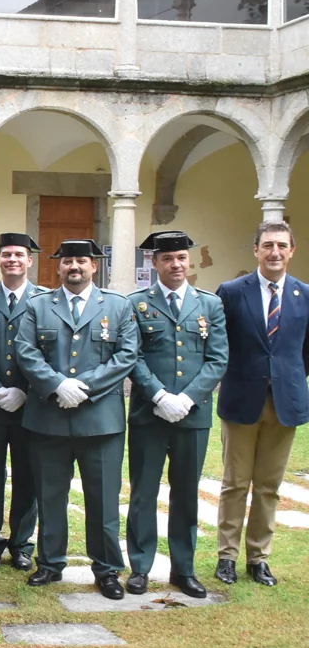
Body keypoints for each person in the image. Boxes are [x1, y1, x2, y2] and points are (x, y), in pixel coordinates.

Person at [14, 239, 138, 600]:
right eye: (68, 261)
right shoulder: (38, 306)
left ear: (94, 266)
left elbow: (126, 354)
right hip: (49, 417)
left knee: (102, 499)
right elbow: (26, 351)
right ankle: (50, 563)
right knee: (50, 495)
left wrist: (83, 387)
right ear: (58, 267)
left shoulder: (117, 306)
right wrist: (57, 385)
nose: (75, 267)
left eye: (82, 261)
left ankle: (107, 569)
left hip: (100, 420)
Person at [125, 230, 227, 598]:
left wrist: (188, 398)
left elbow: (217, 358)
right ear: (155, 263)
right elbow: (131, 356)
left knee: (185, 493)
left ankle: (184, 569)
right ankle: (140, 567)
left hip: (192, 415)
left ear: (190, 261)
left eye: (182, 257)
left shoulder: (209, 304)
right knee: (143, 492)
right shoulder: (136, 304)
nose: (176, 264)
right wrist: (158, 395)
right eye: (167, 258)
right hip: (149, 415)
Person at [214, 221, 309, 587]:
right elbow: (220, 345)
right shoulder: (233, 291)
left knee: (269, 486)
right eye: (267, 245)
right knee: (234, 483)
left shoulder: (304, 295)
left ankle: (258, 558)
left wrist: (288, 378)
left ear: (291, 250)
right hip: (242, 399)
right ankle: (227, 557)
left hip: (285, 402)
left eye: (281, 246)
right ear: (256, 250)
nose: (275, 252)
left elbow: (303, 352)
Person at [0, 233, 45, 571]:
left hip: (33, 407)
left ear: (30, 261)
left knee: (29, 475)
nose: (12, 259)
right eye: (6, 254)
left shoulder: (45, 300)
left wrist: (26, 391)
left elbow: (49, 355)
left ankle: (21, 543)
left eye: (20, 255)